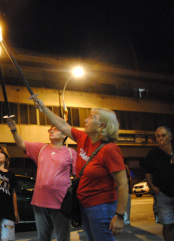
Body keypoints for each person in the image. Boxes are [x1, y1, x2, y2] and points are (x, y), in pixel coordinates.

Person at [34, 98, 127, 241]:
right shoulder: (85, 139)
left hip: (101, 207)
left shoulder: (110, 150)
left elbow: (122, 184)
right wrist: (43, 108)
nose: (85, 120)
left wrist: (119, 215)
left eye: (91, 117)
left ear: (101, 125)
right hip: (85, 206)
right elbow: (63, 125)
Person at [6, 118, 76, 241]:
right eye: (50, 129)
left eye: (55, 129)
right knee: (43, 237)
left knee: (63, 237)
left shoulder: (70, 153)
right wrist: (14, 130)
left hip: (61, 202)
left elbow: (78, 176)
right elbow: (21, 143)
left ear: (64, 134)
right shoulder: (41, 148)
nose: (51, 131)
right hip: (40, 201)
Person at [143, 126, 174, 241]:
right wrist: (153, 187)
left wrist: (170, 153)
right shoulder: (152, 154)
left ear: (170, 137)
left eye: (163, 135)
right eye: (158, 136)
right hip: (163, 195)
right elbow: (148, 173)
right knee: (167, 225)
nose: (161, 138)